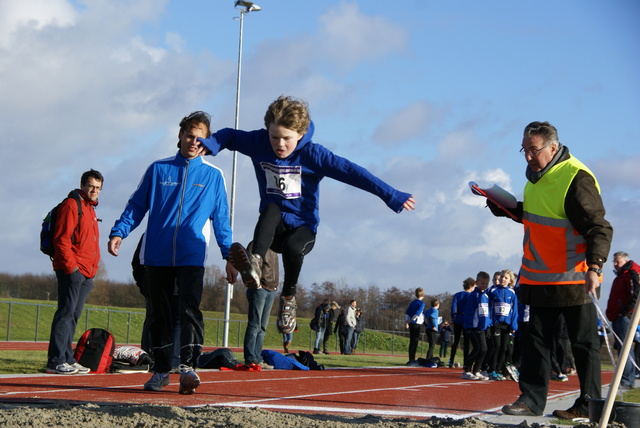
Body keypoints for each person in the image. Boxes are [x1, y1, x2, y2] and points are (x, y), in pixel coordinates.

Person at [198, 95, 416, 336]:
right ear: (267, 131)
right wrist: (214, 143)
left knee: (292, 247)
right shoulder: (258, 142)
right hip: (272, 229)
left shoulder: (314, 155)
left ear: (301, 134)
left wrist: (391, 195)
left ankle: (288, 297)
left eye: (287, 139)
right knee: (271, 208)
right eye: (274, 137)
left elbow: (354, 173)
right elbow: (230, 135)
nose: (279, 144)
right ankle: (255, 262)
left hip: (302, 230)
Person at [107, 111, 237, 394]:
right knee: (160, 314)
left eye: (200, 137)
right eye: (189, 135)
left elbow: (221, 220)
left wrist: (229, 256)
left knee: (189, 310)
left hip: (192, 255)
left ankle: (188, 368)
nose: (194, 141)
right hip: (157, 254)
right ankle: (161, 370)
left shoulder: (214, 176)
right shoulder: (158, 169)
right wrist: (119, 231)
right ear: (180, 135)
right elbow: (136, 205)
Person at [490, 122, 613, 419]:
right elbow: (539, 217)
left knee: (583, 344)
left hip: (574, 278)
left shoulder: (575, 177)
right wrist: (505, 207)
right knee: (535, 342)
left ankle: (588, 404)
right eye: (525, 150)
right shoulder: (535, 178)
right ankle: (531, 400)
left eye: (534, 150)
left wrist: (595, 266)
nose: (529, 157)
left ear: (553, 148)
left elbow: (599, 227)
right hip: (537, 276)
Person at [46, 169, 104, 375]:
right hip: (72, 270)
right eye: (91, 186)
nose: (94, 190)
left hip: (87, 272)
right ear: (82, 186)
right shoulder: (72, 204)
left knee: (74, 315)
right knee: (65, 313)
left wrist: (93, 270)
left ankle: (67, 358)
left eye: (98, 187)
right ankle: (55, 361)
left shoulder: (91, 210)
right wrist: (72, 268)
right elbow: (61, 239)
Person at [605, 251, 639, 389]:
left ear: (625, 261)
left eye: (617, 261)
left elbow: (636, 295)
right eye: (613, 261)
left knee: (625, 348)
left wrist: (625, 313)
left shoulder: (631, 274)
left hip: (624, 317)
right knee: (621, 347)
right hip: (617, 316)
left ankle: (627, 379)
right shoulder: (621, 276)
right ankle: (625, 378)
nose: (614, 264)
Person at [243, 242, 279, 370]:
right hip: (259, 288)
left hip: (271, 289)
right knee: (255, 325)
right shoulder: (255, 245)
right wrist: (258, 281)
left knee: (262, 327)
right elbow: (248, 264)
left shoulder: (275, 247)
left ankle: (257, 358)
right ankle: (250, 358)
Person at [487, 269, 518, 381]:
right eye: (501, 277)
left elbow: (514, 310)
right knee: (497, 346)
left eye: (505, 278)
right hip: (496, 323)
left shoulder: (512, 292)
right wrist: (489, 321)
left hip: (507, 324)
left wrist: (514, 325)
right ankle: (492, 370)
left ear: (510, 280)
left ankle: (499, 369)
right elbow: (489, 307)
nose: (502, 279)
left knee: (504, 347)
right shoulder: (493, 291)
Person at [462, 271, 492, 380]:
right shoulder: (474, 296)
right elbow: (471, 312)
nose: (484, 285)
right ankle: (467, 370)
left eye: (486, 284)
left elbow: (486, 312)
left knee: (483, 349)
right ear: (477, 282)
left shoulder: (485, 295)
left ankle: (476, 370)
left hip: (482, 327)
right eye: (482, 283)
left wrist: (488, 325)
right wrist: (470, 326)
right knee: (479, 348)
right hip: (474, 327)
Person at [449, 277, 476, 368]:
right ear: (471, 286)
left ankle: (451, 361)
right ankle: (465, 363)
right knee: (466, 342)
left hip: (458, 318)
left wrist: (453, 317)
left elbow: (453, 307)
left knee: (456, 341)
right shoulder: (472, 296)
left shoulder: (457, 295)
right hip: (467, 319)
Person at [405, 287, 426, 364]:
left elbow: (407, 312)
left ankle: (411, 358)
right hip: (416, 323)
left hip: (411, 323)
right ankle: (412, 360)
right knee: (415, 341)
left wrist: (407, 321)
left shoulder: (412, 303)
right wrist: (411, 320)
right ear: (423, 295)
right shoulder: (421, 304)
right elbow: (418, 313)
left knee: (412, 341)